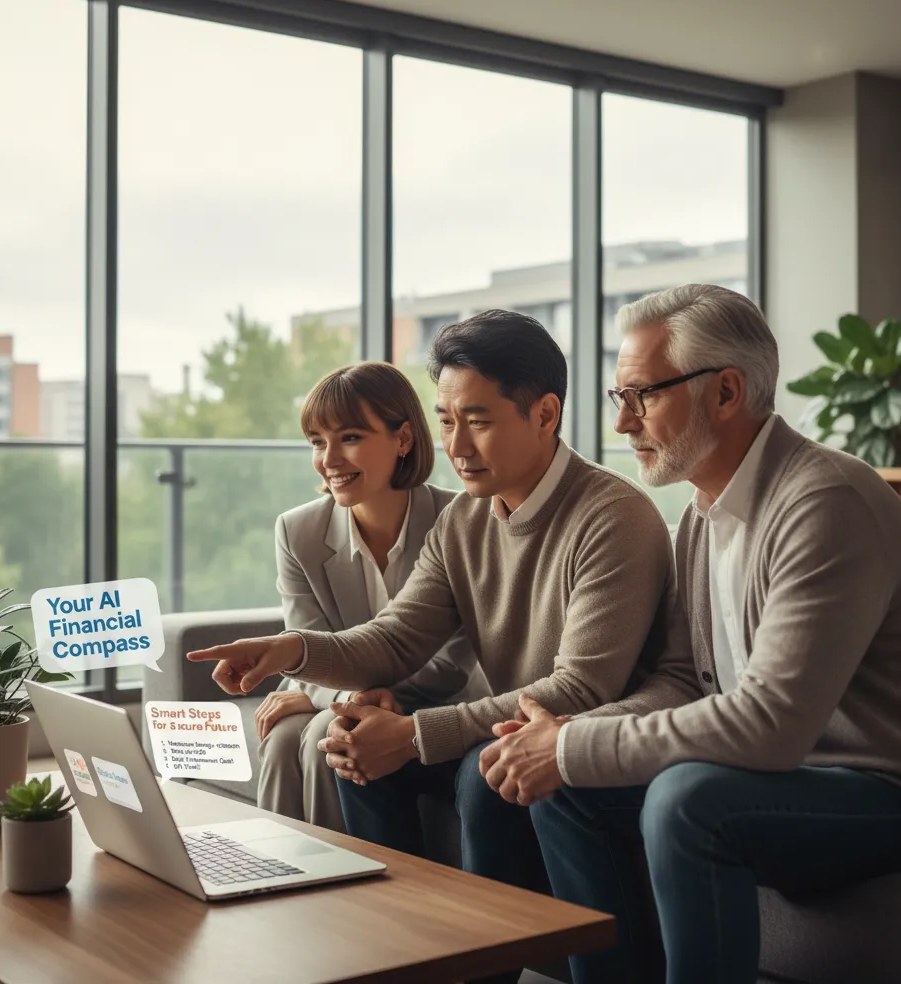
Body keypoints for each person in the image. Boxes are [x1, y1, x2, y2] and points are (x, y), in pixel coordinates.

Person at [479, 283, 901, 984]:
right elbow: (685, 680)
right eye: (617, 397)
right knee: (569, 786)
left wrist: (572, 744)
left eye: (642, 395)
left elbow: (770, 726)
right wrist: (568, 735)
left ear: (725, 392)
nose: (622, 422)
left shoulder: (825, 503)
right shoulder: (701, 513)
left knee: (689, 800)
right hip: (802, 780)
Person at [189, 309, 679, 984]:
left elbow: (582, 688)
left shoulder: (612, 516)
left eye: (476, 419)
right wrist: (289, 651)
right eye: (446, 421)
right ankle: (390, 958)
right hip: (507, 730)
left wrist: (416, 734)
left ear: (544, 415)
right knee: (352, 746)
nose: (456, 444)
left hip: (591, 737)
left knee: (478, 770)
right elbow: (395, 638)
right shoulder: (467, 520)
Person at [255, 361, 487, 830]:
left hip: (439, 702)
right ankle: (270, 875)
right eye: (318, 443)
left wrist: (332, 702)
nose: (330, 459)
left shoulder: (462, 520)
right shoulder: (297, 530)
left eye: (351, 438)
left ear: (403, 439)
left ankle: (340, 887)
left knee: (327, 731)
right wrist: (337, 695)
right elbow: (307, 636)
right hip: (335, 690)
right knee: (282, 738)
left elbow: (449, 663)